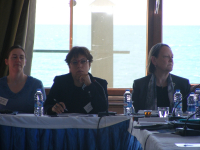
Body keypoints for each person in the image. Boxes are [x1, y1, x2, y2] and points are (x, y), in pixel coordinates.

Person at [44, 46, 108, 115]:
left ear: (89, 65)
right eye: (75, 62)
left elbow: (103, 109)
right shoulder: (60, 82)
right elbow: (46, 107)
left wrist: (90, 85)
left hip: (91, 125)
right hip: (65, 124)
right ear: (69, 66)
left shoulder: (100, 83)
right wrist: (53, 109)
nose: (79, 65)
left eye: (83, 61)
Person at [132, 43, 191, 113]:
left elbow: (187, 113)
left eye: (172, 57)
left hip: (175, 124)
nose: (171, 61)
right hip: (147, 123)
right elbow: (135, 114)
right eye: (166, 57)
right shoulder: (140, 85)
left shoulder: (183, 84)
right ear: (154, 60)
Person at [0, 45, 46, 113]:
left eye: (21, 58)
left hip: (29, 123)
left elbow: (42, 113)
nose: (18, 60)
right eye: (14, 57)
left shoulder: (36, 85)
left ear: (25, 62)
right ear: (6, 61)